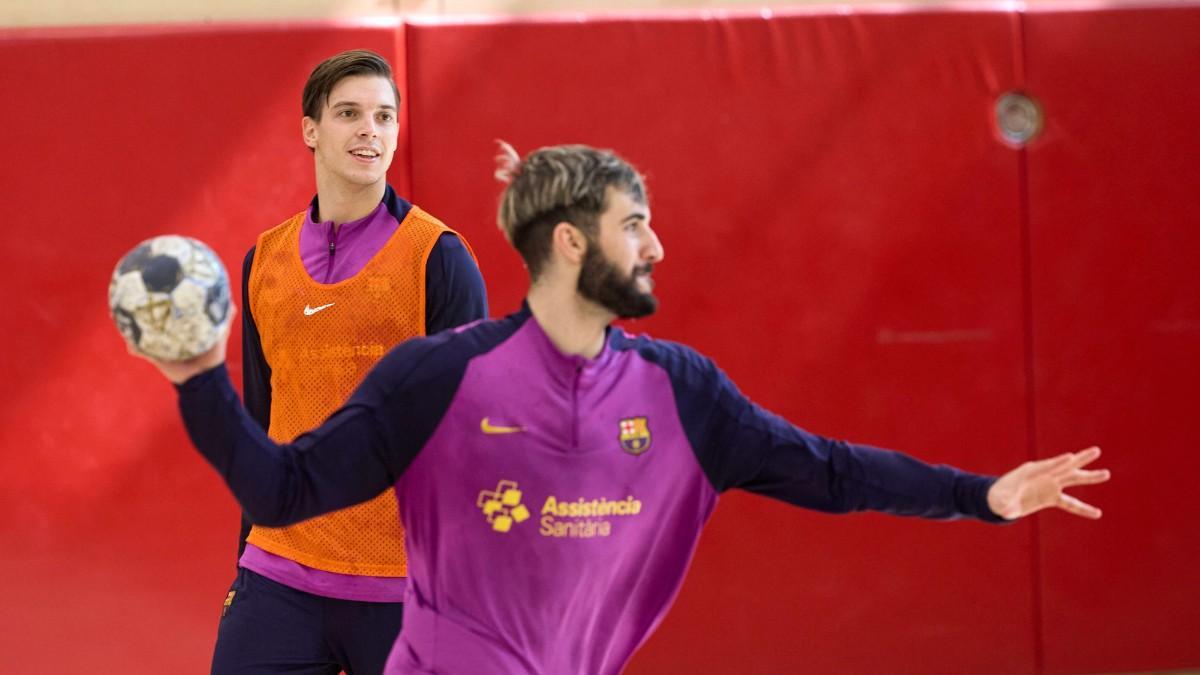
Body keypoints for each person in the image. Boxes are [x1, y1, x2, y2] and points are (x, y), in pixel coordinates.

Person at [145, 143, 1108, 674]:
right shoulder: (437, 380)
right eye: (635, 223)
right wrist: (199, 377)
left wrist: (981, 496)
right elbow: (284, 485)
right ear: (570, 244)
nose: (658, 246)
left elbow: (829, 468)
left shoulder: (680, 393)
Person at [215, 50, 487, 674]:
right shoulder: (266, 261)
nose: (371, 129)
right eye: (349, 113)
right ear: (311, 129)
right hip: (278, 577)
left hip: (403, 588)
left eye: (385, 116)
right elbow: (262, 426)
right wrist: (243, 562)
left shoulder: (438, 257)